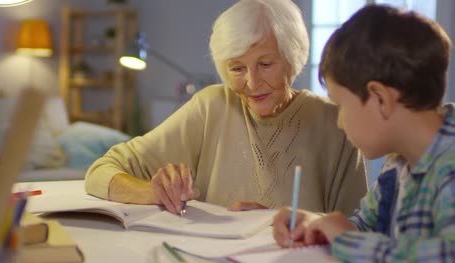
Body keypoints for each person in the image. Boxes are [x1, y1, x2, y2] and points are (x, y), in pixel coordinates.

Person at [85, 0, 367, 216]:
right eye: (237, 68)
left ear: (293, 58)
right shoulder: (211, 107)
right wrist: (153, 192)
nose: (252, 83)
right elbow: (101, 171)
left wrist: (273, 224)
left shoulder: (336, 121)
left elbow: (357, 232)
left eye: (265, 64)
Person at [272, 4, 455, 263]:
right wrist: (318, 225)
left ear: (380, 98)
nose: (339, 122)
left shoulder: (449, 167)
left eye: (341, 106)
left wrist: (347, 239)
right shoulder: (398, 165)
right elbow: (363, 226)